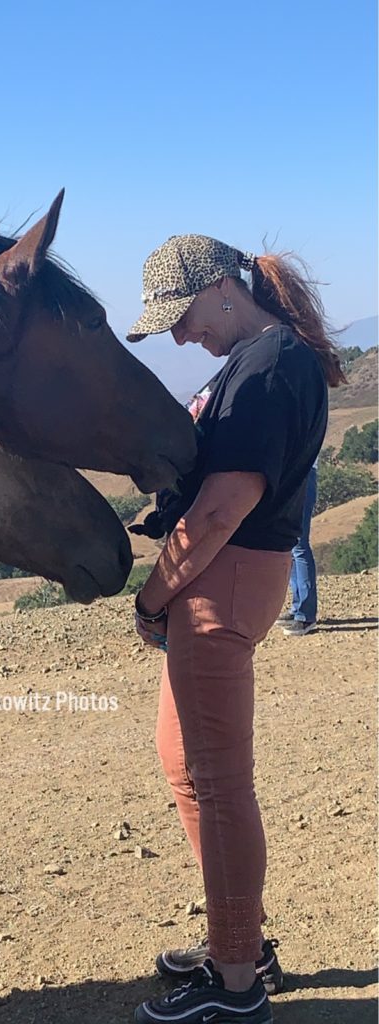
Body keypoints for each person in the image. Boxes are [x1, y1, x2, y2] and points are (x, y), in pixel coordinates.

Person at [126, 234, 345, 1024]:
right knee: (188, 768)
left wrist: (153, 597)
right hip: (221, 580)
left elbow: (224, 508)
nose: (180, 337)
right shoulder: (258, 358)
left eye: (179, 319)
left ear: (222, 287)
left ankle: (236, 983)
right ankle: (239, 938)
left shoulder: (269, 365)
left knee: (216, 782)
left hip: (222, 580)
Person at [276, 459, 319, 635]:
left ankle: (306, 616)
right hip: (294, 472)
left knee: (300, 545)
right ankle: (298, 607)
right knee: (293, 544)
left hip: (302, 472)